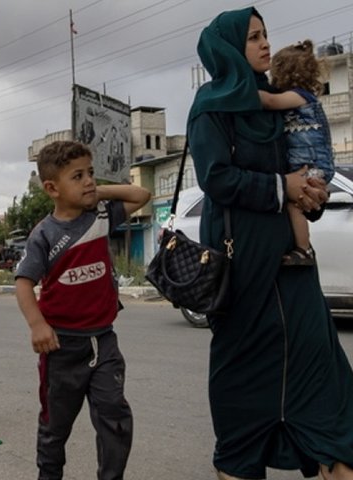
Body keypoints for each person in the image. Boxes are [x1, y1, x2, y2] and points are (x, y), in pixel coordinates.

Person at [186, 7, 353, 480]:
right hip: (243, 272)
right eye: (253, 37)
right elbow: (217, 178)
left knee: (331, 392)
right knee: (241, 403)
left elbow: (304, 163)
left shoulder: (281, 101)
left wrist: (313, 194)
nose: (264, 44)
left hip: (295, 271)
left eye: (266, 35)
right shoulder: (211, 106)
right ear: (228, 48)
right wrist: (284, 187)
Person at [15, 140, 150, 479]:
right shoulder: (44, 234)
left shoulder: (101, 216)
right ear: (52, 188)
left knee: (115, 419)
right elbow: (23, 283)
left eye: (90, 173)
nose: (89, 180)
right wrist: (37, 325)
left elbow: (141, 196)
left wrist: (96, 190)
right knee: (54, 427)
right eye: (78, 176)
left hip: (104, 342)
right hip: (62, 348)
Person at [259, 39, 334, 266]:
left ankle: (303, 249)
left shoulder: (300, 97)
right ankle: (303, 248)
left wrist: (244, 91)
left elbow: (270, 101)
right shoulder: (299, 98)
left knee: (294, 203)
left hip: (314, 165)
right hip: (307, 164)